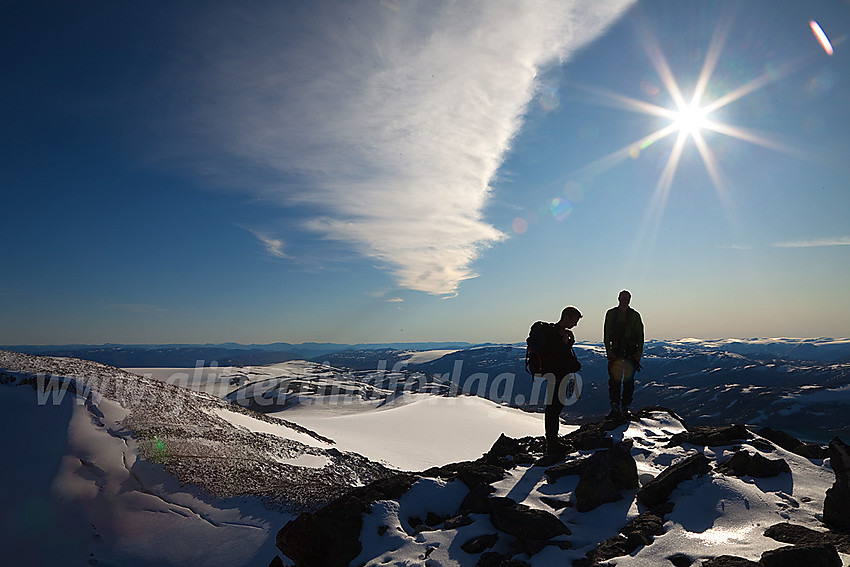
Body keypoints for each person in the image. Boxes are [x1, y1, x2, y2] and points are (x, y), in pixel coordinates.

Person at [527, 306, 582, 454]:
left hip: (553, 374)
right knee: (553, 409)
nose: (575, 324)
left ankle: (553, 441)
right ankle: (552, 444)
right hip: (556, 375)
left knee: (554, 408)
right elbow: (560, 356)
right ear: (567, 317)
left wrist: (568, 342)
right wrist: (566, 343)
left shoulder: (555, 333)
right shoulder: (555, 335)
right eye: (575, 320)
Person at [604, 290, 644, 419]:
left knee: (628, 381)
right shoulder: (611, 314)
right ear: (618, 298)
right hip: (616, 351)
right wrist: (608, 351)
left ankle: (624, 406)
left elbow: (640, 335)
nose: (625, 300)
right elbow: (607, 333)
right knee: (615, 380)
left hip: (630, 352)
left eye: (627, 298)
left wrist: (639, 353)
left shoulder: (635, 316)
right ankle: (615, 406)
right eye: (623, 298)